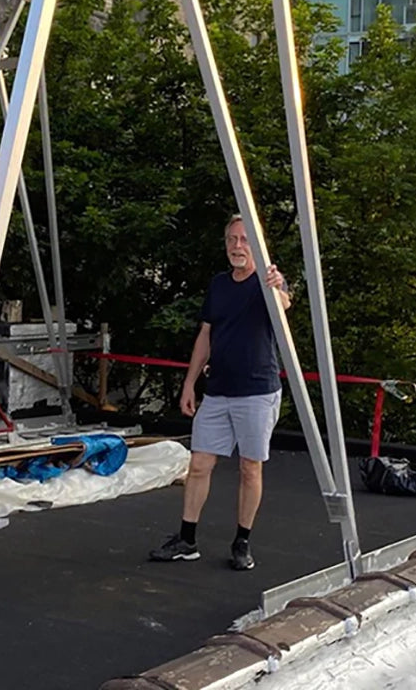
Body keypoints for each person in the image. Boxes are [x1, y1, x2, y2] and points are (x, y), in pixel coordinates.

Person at [149, 214, 290, 571]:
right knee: (199, 465)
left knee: (250, 467)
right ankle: (187, 539)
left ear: (256, 245)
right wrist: (189, 383)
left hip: (257, 391)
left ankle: (242, 542)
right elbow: (205, 335)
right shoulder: (219, 284)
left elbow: (284, 304)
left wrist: (278, 287)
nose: (237, 247)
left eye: (244, 240)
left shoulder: (267, 281)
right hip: (219, 391)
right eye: (231, 240)